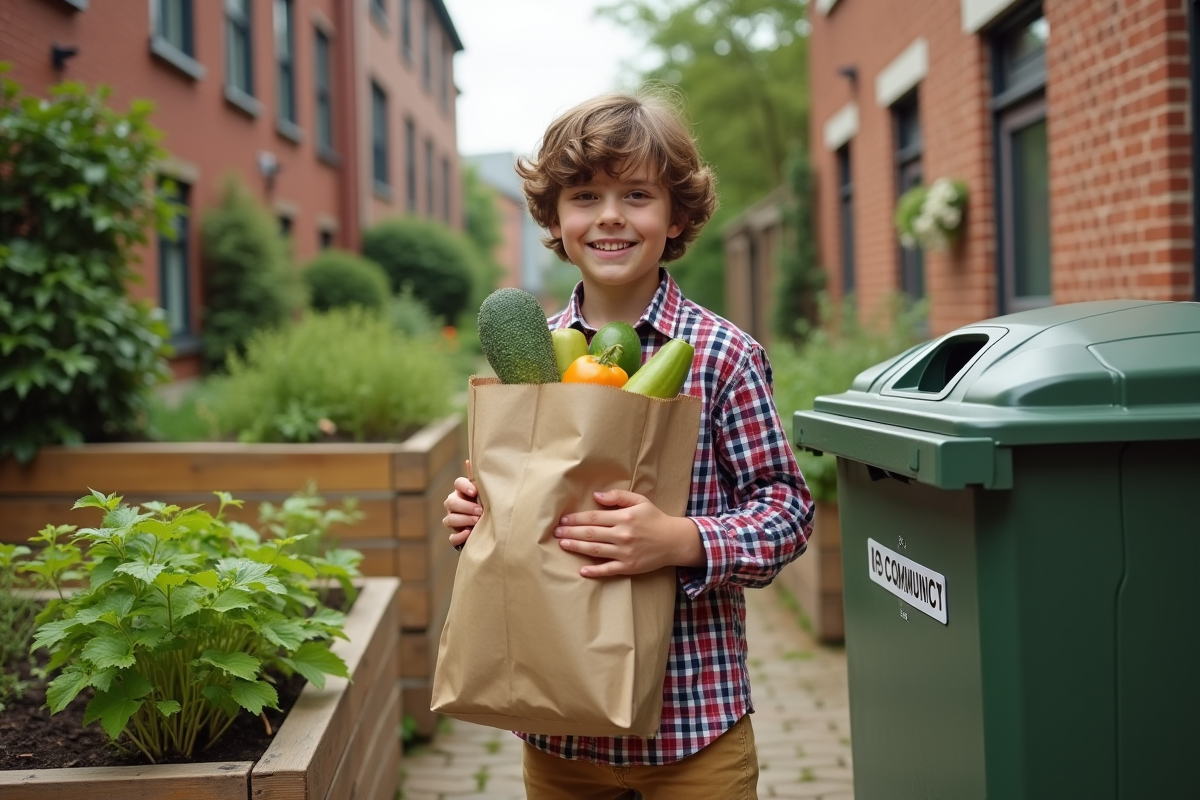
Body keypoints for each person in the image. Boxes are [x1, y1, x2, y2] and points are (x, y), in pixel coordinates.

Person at [442, 87, 813, 800]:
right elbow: (522, 515)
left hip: (694, 726)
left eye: (637, 194)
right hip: (558, 729)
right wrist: (478, 517)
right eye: (585, 196)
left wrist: (680, 541)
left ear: (676, 215)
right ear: (555, 217)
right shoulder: (529, 359)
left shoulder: (721, 355)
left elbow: (788, 511)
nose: (610, 216)